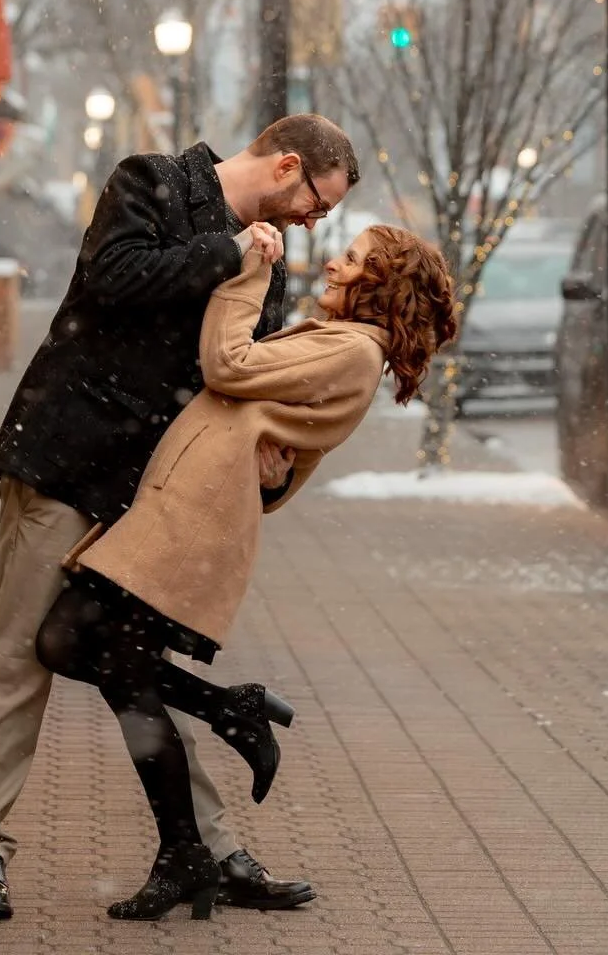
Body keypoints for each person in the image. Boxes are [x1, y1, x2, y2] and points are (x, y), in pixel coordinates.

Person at [0, 116, 360, 922]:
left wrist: (276, 447)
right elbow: (114, 278)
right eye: (319, 202)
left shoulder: (268, 265)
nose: (317, 222)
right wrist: (232, 252)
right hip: (66, 458)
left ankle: (209, 851)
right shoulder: (153, 181)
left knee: (131, 662)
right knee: (17, 659)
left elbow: (240, 375)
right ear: (287, 167)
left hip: (155, 493)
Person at [37, 224, 456, 921]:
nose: (334, 262)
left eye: (351, 260)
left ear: (380, 285)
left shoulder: (353, 353)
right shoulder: (338, 342)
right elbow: (269, 428)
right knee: (91, 654)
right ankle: (220, 743)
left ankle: (189, 841)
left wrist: (248, 272)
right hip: (174, 516)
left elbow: (229, 369)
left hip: (189, 529)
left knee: (88, 653)